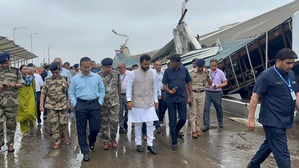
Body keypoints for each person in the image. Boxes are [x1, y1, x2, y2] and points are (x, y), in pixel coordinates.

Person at [246, 48, 299, 168]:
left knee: (270, 143)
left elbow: (296, 95)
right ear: (279, 61)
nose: (291, 66)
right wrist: (250, 119)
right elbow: (255, 96)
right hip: (272, 119)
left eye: (293, 63)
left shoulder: (290, 74)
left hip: (285, 119)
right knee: (282, 151)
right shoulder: (266, 76)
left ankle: (254, 164)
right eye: (288, 63)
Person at [69, 57, 105, 162]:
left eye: (88, 67)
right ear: (80, 67)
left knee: (96, 127)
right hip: (81, 105)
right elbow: (71, 92)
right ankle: (85, 152)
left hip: (94, 104)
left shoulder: (96, 77)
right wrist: (75, 104)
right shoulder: (75, 79)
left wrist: (100, 101)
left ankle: (92, 140)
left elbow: (102, 89)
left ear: (91, 66)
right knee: (81, 130)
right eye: (84, 67)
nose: (86, 69)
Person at [126, 54, 159, 155]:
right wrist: (129, 100)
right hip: (137, 102)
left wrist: (156, 100)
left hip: (149, 103)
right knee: (138, 123)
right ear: (140, 63)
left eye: (148, 64)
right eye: (145, 64)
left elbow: (154, 88)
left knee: (150, 123)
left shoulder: (153, 73)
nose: (147, 66)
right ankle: (138, 143)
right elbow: (129, 88)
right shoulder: (133, 73)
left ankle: (150, 144)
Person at [162, 54, 193, 150]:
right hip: (171, 99)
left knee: (183, 119)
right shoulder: (167, 71)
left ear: (178, 62)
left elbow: (188, 83)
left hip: (182, 98)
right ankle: (174, 141)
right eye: (170, 62)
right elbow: (164, 85)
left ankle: (174, 130)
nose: (171, 64)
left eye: (173, 62)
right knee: (172, 120)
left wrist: (190, 96)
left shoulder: (184, 70)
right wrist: (170, 91)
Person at [40, 62, 69, 150]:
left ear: (59, 71)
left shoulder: (65, 79)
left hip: (63, 105)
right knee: (53, 123)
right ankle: (56, 141)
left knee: (63, 123)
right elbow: (43, 92)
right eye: (53, 72)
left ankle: (62, 132)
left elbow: (69, 91)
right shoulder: (47, 80)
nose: (55, 74)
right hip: (51, 105)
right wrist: (41, 105)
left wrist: (71, 103)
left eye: (57, 72)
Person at [0, 52, 24, 152]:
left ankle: (10, 143)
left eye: (6, 63)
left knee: (11, 124)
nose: (4, 65)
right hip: (0, 102)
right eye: (2, 63)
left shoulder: (16, 71)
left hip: (12, 103)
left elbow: (21, 84)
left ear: (10, 61)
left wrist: (13, 85)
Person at [98, 58, 121, 150]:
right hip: (103, 103)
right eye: (106, 67)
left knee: (115, 122)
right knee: (104, 123)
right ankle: (105, 141)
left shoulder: (116, 74)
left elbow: (119, 86)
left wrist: (118, 98)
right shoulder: (98, 76)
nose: (108, 69)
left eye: (110, 67)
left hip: (114, 102)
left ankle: (113, 139)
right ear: (102, 67)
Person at [188, 59, 212, 138]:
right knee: (193, 112)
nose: (200, 69)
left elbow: (210, 83)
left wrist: (207, 75)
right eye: (198, 67)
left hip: (202, 93)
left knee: (200, 113)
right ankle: (193, 130)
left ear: (203, 66)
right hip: (193, 93)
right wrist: (190, 96)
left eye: (201, 67)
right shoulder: (191, 73)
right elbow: (188, 85)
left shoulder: (206, 72)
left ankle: (198, 128)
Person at [202, 59, 227, 132]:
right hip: (208, 92)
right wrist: (206, 85)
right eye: (212, 66)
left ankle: (220, 121)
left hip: (217, 92)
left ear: (217, 65)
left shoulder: (220, 72)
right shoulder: (206, 72)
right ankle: (206, 124)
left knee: (218, 107)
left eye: (214, 66)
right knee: (206, 108)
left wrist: (218, 86)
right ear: (210, 65)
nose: (213, 67)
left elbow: (225, 82)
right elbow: (202, 81)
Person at [17, 65, 37, 137]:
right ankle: (24, 130)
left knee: (30, 112)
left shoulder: (32, 78)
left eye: (26, 69)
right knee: (23, 114)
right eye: (23, 69)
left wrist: (30, 95)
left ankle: (32, 124)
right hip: (21, 97)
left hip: (30, 97)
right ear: (21, 70)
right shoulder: (18, 79)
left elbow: (34, 88)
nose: (25, 70)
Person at [117, 62, 130, 134]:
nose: (118, 69)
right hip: (120, 95)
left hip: (128, 95)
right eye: (117, 68)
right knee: (120, 111)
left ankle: (125, 121)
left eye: (119, 68)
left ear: (124, 67)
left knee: (128, 111)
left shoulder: (129, 74)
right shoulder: (117, 75)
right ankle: (121, 126)